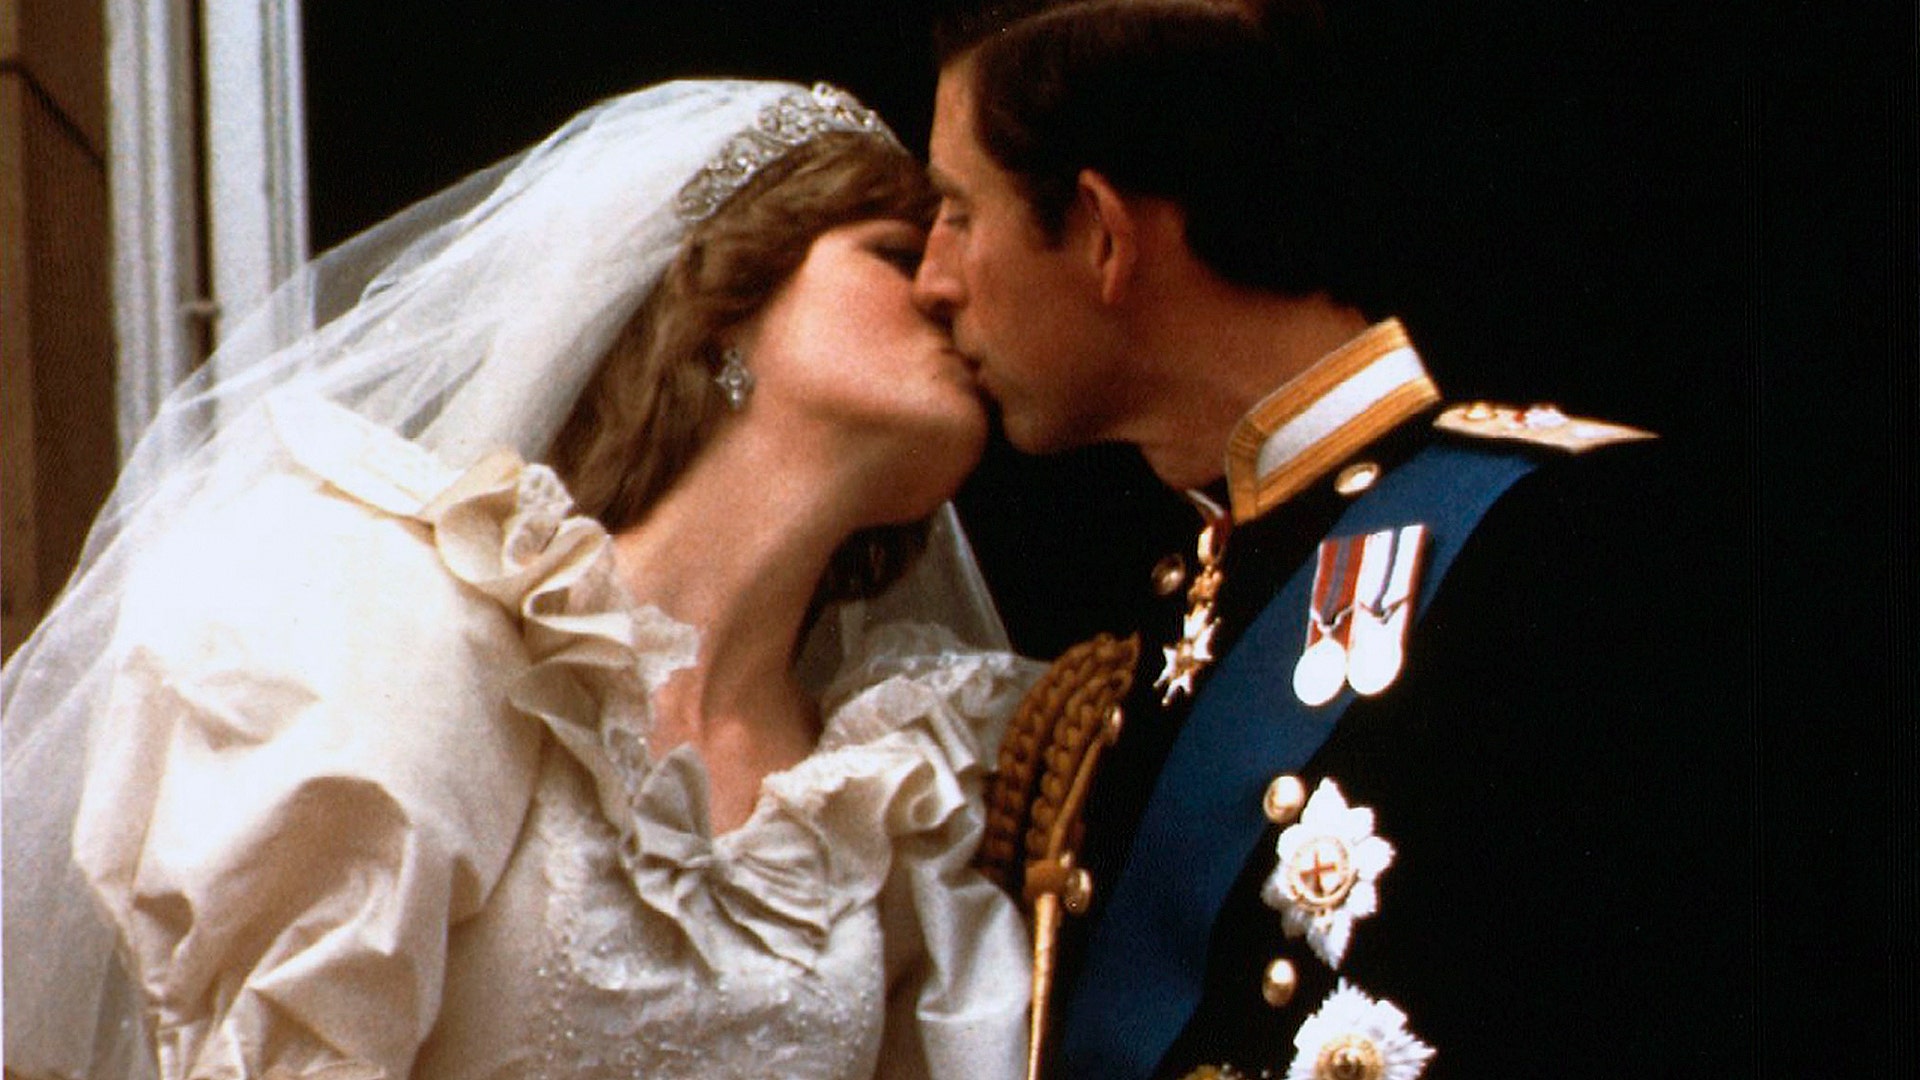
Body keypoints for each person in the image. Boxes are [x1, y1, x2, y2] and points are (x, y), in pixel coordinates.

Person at [2, 79, 1041, 1080]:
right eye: (898, 252)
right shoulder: (398, 631)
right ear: (726, 299)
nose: (949, 292)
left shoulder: (899, 800)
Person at [914, 2, 1752, 1077]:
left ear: (1100, 232)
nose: (935, 278)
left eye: (956, 212)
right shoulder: (1174, 605)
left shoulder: (1569, 546)